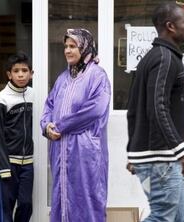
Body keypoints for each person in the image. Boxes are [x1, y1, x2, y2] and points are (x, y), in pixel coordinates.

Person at [126, 3, 184, 222]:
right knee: (162, 218)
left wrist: (133, 150)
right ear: (171, 26)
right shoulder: (164, 59)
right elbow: (157, 107)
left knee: (178, 220)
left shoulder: (156, 58)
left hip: (159, 158)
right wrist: (181, 149)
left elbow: (134, 109)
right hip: (162, 159)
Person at [40, 28, 111, 222]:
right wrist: (46, 126)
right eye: (66, 46)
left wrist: (60, 126)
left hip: (84, 152)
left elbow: (95, 110)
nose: (67, 51)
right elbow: (49, 105)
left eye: (73, 46)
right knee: (61, 197)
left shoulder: (98, 76)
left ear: (84, 48)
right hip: (60, 150)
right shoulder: (63, 78)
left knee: (87, 199)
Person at [0, 52, 34, 222]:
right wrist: (3, 167)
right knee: (5, 209)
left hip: (27, 163)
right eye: (16, 71)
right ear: (9, 74)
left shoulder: (33, 95)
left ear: (32, 73)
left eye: (25, 70)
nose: (21, 74)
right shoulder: (2, 99)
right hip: (7, 162)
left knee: (25, 204)